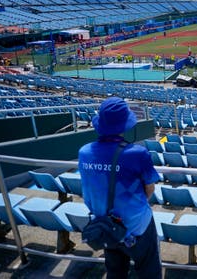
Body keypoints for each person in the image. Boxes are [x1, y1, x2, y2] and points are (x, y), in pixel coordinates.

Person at [78, 97, 162, 278]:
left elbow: (87, 190)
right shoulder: (138, 154)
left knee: (115, 271)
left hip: (105, 224)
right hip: (137, 225)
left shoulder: (84, 153)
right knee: (149, 269)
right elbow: (150, 188)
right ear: (125, 125)